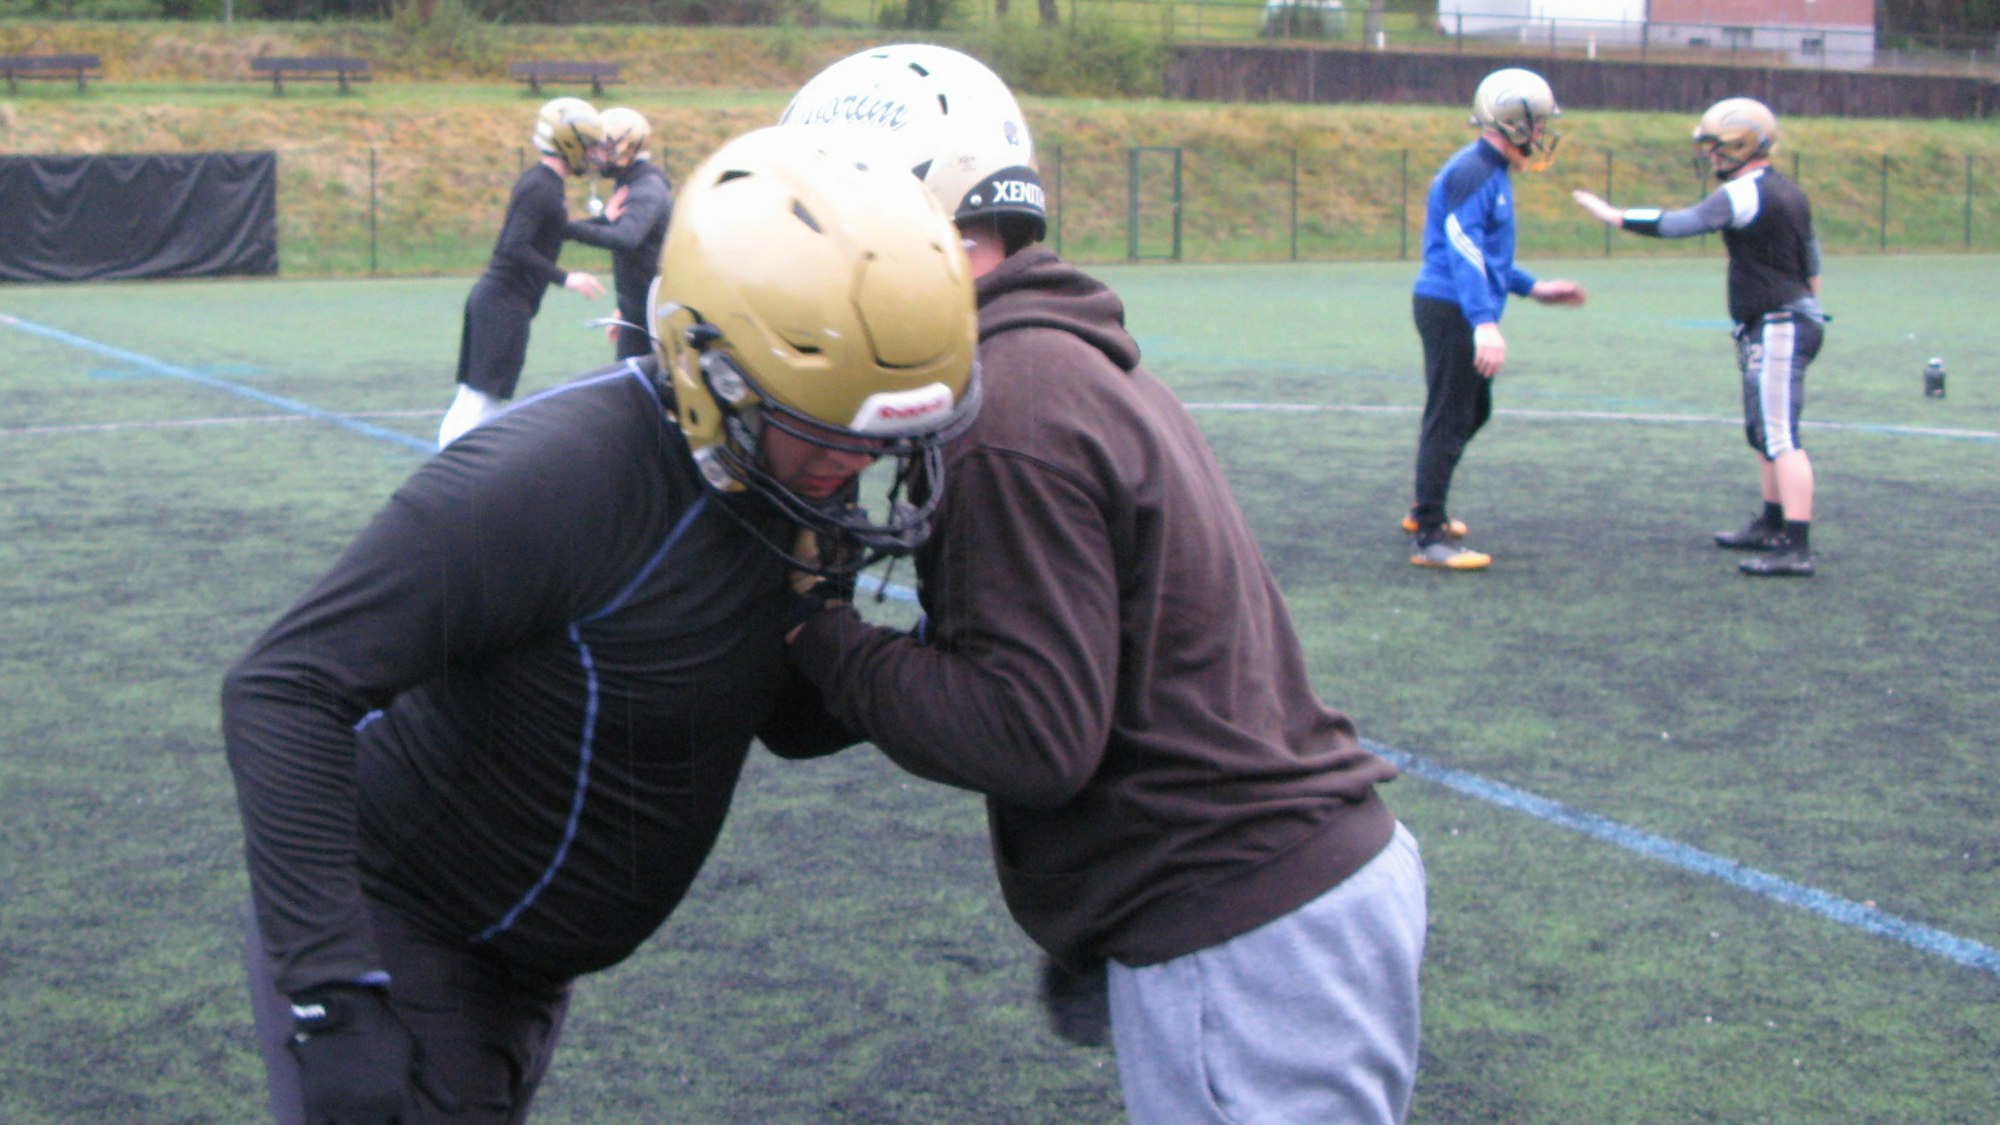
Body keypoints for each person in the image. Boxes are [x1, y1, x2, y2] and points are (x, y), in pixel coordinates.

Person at [222, 127, 981, 1125]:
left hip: (519, 960)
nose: (853, 466)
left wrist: (954, 664)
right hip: (407, 937)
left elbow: (783, 719)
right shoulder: (554, 478)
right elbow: (284, 688)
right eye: (826, 426)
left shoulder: (783, 477)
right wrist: (331, 990)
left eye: (881, 435)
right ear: (717, 373)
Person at [779, 45, 1428, 1124]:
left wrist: (813, 637)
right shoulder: (1051, 361)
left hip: (1243, 917)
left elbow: (1028, 736)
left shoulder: (1011, 408)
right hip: (1272, 897)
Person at [1572, 97, 1826, 577]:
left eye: (1717, 147)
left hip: (1779, 322)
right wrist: (1809, 309)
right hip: (1783, 319)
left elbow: (1680, 223)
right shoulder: (1789, 192)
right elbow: (1811, 261)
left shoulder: (1744, 192)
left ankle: (1796, 545)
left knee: (1780, 434)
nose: (1711, 156)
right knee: (1762, 432)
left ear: (1743, 143)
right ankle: (1772, 524)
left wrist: (1615, 215)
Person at [1406, 67, 1586, 570]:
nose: (1541, 134)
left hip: (1457, 304)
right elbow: (1464, 250)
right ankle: (1429, 532)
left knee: (1470, 412)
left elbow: (1485, 253)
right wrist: (1483, 322)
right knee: (1449, 417)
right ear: (1512, 122)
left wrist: (1532, 287)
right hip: (1451, 308)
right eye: (1537, 123)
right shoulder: (1475, 171)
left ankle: (1427, 503)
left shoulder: (1491, 171)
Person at [440, 97, 609, 449]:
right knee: (483, 403)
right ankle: (456, 480)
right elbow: (514, 247)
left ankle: (445, 471)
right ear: (569, 143)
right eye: (589, 146)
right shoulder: (542, 187)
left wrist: (607, 222)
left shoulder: (542, 182)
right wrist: (566, 278)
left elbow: (560, 229)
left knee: (472, 399)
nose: (593, 154)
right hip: (503, 303)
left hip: (493, 300)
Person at [565, 107, 675, 361]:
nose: (596, 154)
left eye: (603, 147)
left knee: (646, 392)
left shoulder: (647, 187)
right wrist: (623, 309)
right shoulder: (632, 182)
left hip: (653, 313)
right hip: (639, 309)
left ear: (626, 146)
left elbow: (626, 237)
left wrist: (567, 229)